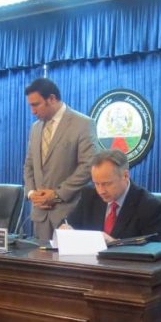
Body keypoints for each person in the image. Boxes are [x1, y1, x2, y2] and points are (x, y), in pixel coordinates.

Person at [23, 77, 99, 240]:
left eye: (36, 105)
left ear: (52, 98)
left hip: (69, 214)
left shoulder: (83, 124)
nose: (33, 111)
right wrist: (31, 193)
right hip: (40, 216)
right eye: (30, 106)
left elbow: (88, 166)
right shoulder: (35, 128)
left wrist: (57, 194)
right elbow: (29, 165)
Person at [66, 150, 161, 240]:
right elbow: (71, 224)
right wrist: (66, 230)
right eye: (96, 183)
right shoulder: (89, 196)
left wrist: (115, 243)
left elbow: (157, 247)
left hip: (125, 257)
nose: (101, 191)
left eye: (106, 184)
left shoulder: (150, 206)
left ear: (125, 176)